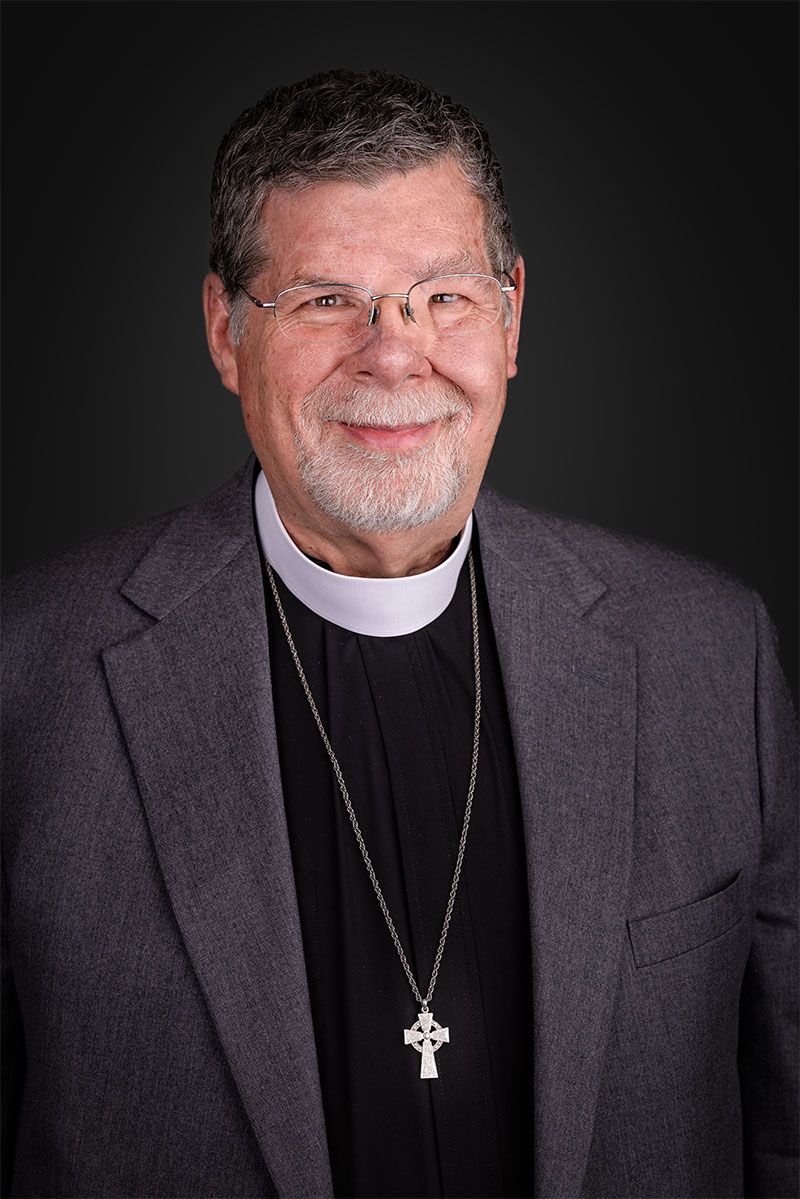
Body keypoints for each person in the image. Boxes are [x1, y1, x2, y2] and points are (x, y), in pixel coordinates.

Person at [1, 67, 797, 1199]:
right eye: (327, 299)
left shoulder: (711, 657)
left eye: (443, 296)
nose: (392, 353)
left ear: (510, 319)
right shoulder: (27, 677)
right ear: (226, 331)